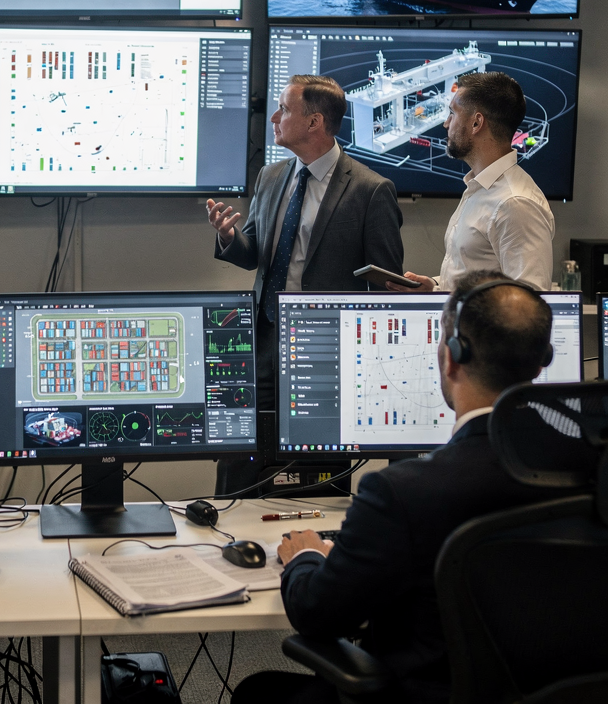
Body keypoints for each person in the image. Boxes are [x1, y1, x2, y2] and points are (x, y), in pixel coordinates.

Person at [231, 270, 565, 704]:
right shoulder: (590, 473)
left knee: (257, 693)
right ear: (541, 364)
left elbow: (317, 614)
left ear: (449, 357)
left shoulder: (403, 493)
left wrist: (308, 555)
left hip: (422, 695)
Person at [206, 75, 403, 494]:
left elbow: (387, 291)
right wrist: (228, 237)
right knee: (239, 458)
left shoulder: (371, 190)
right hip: (262, 339)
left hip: (325, 354)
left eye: (285, 109)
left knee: (316, 475)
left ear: (314, 122)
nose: (274, 117)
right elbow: (255, 252)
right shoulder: (272, 176)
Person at [387, 71, 554, 294]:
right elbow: (476, 278)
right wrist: (436, 288)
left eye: (452, 114)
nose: (446, 124)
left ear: (476, 123)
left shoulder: (515, 203)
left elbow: (527, 307)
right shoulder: (480, 188)